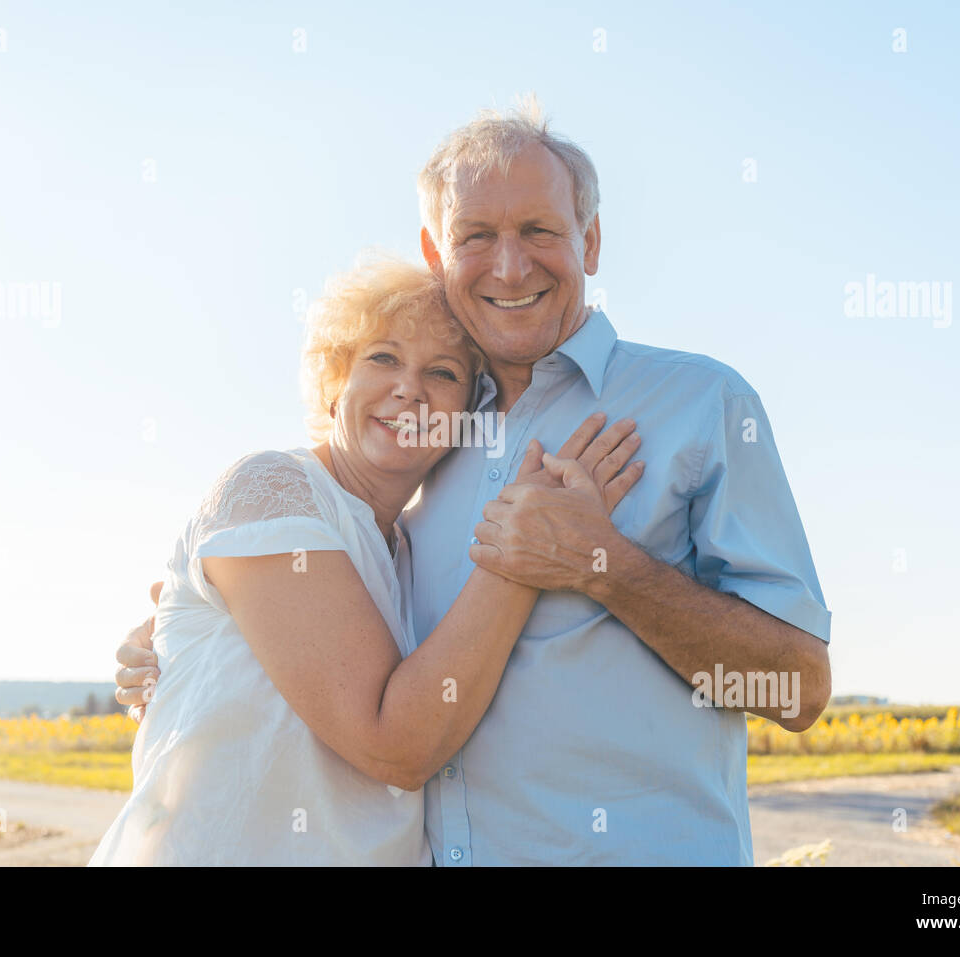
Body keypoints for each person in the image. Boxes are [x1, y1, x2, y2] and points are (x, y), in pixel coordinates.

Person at [119, 98, 833, 865]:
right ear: (437, 252)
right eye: (476, 236)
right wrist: (190, 632)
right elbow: (338, 638)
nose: (510, 265)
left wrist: (609, 566)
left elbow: (798, 691)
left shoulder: (702, 404)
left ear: (589, 241)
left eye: (539, 231)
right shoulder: (427, 451)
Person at [91, 256, 642, 865]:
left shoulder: (415, 550)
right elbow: (395, 747)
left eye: (443, 372)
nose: (410, 388)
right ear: (335, 383)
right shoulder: (271, 490)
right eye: (382, 357)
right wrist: (524, 550)